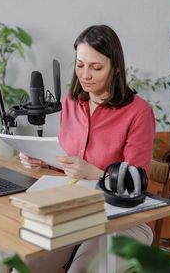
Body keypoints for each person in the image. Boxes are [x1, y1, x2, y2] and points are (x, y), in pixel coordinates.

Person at [19, 24, 155, 273]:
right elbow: (69, 161)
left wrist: (95, 172)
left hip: (124, 219)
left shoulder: (139, 112)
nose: (86, 75)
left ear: (115, 68)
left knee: (82, 270)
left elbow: (135, 183)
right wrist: (42, 160)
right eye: (80, 65)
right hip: (74, 211)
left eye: (96, 67)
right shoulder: (70, 102)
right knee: (24, 266)